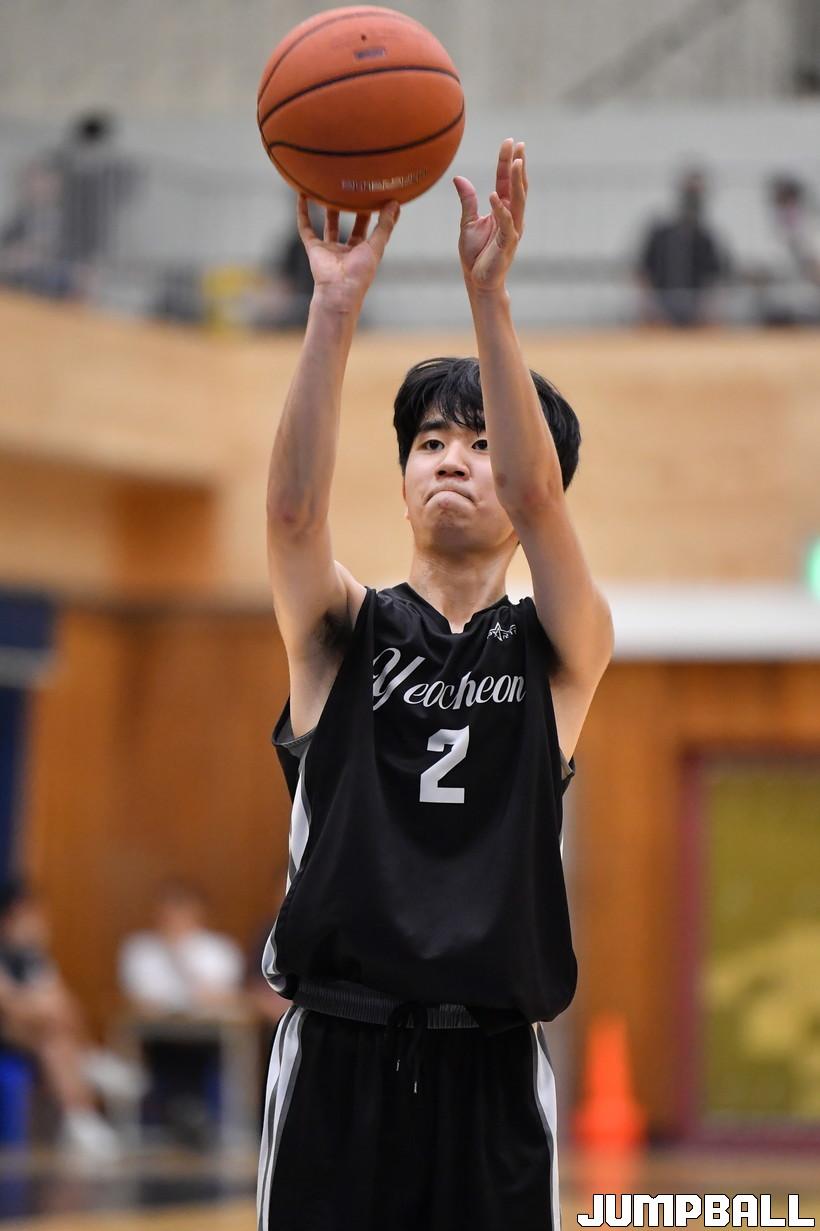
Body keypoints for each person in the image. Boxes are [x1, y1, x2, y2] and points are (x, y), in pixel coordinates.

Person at [258, 138, 614, 1231]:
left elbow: (538, 498)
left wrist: (488, 296)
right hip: (340, 1049)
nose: (451, 458)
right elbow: (291, 517)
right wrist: (334, 308)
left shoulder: (560, 647)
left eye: (478, 442)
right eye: (428, 441)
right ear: (405, 473)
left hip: (493, 1064)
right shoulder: (342, 633)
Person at [0, 881, 143, 1159]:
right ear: (9, 919)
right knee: (50, 1022)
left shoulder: (31, 956)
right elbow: (10, 1005)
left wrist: (43, 1005)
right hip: (10, 1031)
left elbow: (61, 999)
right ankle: (89, 1064)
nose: (38, 924)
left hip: (37, 1033)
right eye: (31, 917)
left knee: (55, 1038)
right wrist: (40, 1007)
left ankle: (81, 1116)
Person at [636, 167, 728, 327]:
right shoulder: (660, 234)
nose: (693, 200)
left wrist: (707, 311)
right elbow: (643, 273)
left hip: (696, 310)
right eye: (690, 194)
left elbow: (716, 278)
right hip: (661, 305)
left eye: (696, 195)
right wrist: (650, 308)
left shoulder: (705, 238)